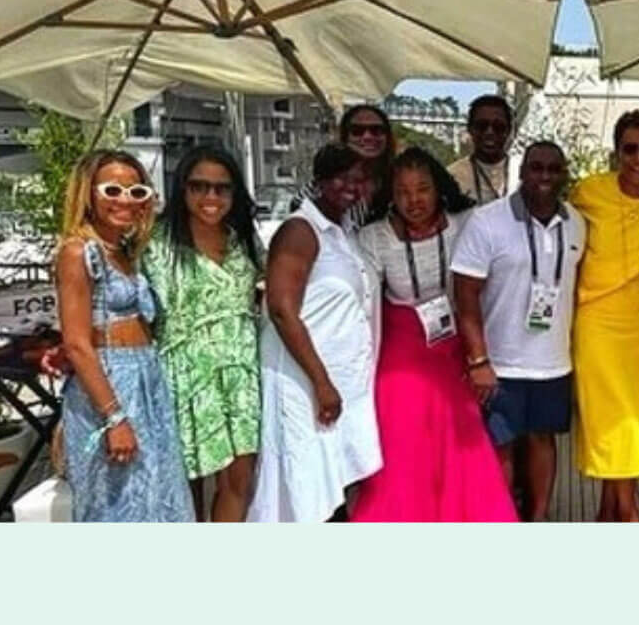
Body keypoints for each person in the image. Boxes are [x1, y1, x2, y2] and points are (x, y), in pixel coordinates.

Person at [352, 148, 516, 522]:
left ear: (439, 188)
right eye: (403, 191)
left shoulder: (467, 224)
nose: (414, 200)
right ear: (391, 195)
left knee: (460, 430)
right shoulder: (374, 237)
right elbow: (364, 300)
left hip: (455, 338)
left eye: (423, 189)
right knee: (402, 431)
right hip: (401, 343)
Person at [54, 151, 192, 522]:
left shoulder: (126, 251)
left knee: (158, 496)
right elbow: (77, 344)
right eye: (112, 190)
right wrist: (114, 418)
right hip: (110, 384)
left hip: (147, 379)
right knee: (118, 505)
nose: (125, 200)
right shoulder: (78, 252)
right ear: (88, 194)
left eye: (137, 191)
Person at [452, 141, 586, 521]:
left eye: (553, 169)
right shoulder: (487, 221)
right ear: (522, 172)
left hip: (553, 361)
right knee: (502, 445)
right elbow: (465, 293)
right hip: (500, 362)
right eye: (536, 168)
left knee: (543, 440)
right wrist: (478, 360)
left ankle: (539, 518)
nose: (545, 176)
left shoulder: (576, 223)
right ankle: (503, 519)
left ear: (564, 174)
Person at [249, 144, 380, 522]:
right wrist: (321, 382)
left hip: (338, 380)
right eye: (341, 177)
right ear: (320, 181)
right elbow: (281, 309)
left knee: (330, 483)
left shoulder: (344, 232)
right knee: (303, 488)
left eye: (359, 179)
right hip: (303, 379)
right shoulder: (300, 230)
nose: (351, 186)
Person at [142, 145, 263, 523]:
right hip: (182, 376)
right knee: (185, 488)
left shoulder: (243, 240)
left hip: (240, 375)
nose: (211, 196)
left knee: (239, 481)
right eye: (199, 186)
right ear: (183, 189)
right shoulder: (156, 244)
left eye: (221, 188)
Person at [569, 110, 639, 521]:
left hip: (638, 324)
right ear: (616, 151)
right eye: (630, 149)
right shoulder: (588, 191)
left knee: (633, 416)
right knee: (611, 419)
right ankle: (629, 513)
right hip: (595, 321)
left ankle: (608, 511)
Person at [294, 103, 394, 229]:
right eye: (357, 131)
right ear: (345, 137)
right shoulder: (326, 180)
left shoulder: (397, 179)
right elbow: (298, 208)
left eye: (376, 130)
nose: (367, 136)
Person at [449, 94, 513, 206]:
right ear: (470, 129)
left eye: (498, 127)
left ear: (509, 130)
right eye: (482, 126)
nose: (489, 132)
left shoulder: (525, 173)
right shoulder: (453, 177)